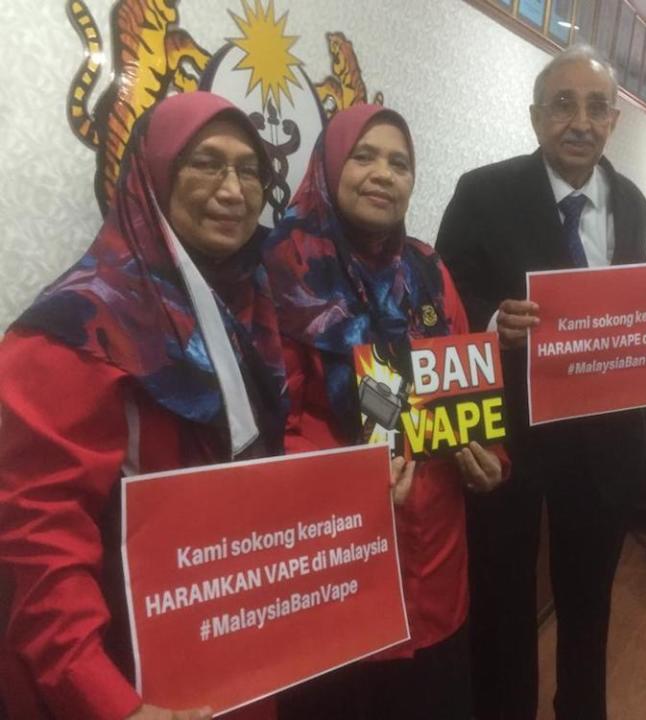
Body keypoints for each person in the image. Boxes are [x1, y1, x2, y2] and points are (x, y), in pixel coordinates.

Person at [435, 45, 646, 720]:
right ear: (536, 118)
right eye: (563, 104)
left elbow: (633, 306)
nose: (580, 122)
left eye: (596, 108)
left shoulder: (636, 205)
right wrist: (487, 320)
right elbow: (438, 292)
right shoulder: (484, 192)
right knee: (502, 604)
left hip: (604, 445)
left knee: (589, 605)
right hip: (506, 441)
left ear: (614, 122)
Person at [0, 91, 285, 720]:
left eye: (248, 170)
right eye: (205, 163)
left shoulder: (248, 308)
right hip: (125, 676)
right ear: (152, 175)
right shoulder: (73, 332)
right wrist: (114, 705)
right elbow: (40, 549)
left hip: (229, 638)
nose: (233, 190)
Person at [264, 103, 507, 720]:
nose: (384, 174)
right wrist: (348, 479)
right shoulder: (279, 273)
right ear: (328, 164)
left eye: (400, 162)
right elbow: (267, 428)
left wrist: (492, 459)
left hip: (437, 562)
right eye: (364, 156)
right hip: (339, 565)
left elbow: (467, 390)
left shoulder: (428, 270)